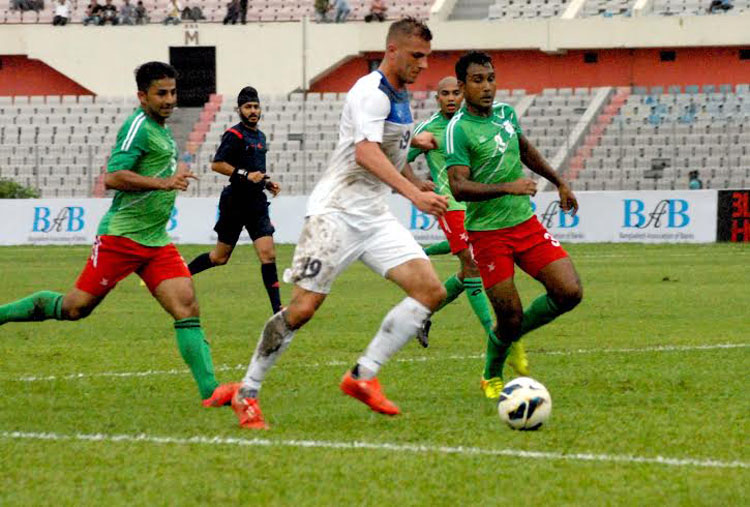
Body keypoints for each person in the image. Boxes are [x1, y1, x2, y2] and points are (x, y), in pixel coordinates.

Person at [203, 18, 449, 429]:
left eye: (427, 56)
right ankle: (247, 391)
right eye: (416, 56)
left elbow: (388, 152)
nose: (424, 65)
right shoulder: (370, 93)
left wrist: (412, 177)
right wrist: (415, 196)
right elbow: (366, 154)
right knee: (302, 309)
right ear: (392, 51)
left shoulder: (401, 95)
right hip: (335, 214)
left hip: (373, 214)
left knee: (430, 291)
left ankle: (362, 376)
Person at [0, 62, 235, 408]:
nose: (170, 99)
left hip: (155, 240)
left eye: (173, 92)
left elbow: (153, 169)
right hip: (121, 237)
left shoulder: (162, 129)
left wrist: (174, 172)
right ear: (142, 96)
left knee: (186, 307)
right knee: (76, 308)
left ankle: (210, 391)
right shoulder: (137, 126)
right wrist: (164, 182)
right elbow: (113, 176)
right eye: (161, 93)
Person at [445, 51, 583, 399]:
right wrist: (509, 186)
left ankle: (514, 334)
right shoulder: (457, 130)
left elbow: (524, 150)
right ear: (462, 86)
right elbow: (459, 187)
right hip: (489, 235)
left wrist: (559, 181)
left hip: (525, 224)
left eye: (491, 78)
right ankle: (490, 372)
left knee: (569, 292)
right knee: (509, 317)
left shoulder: (506, 114)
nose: (487, 86)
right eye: (478, 80)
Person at [405, 76, 528, 388]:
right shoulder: (428, 129)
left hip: (477, 207)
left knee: (466, 273)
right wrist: (416, 184)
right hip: (451, 206)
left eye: (455, 92)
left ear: (463, 94)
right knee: (473, 267)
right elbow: (397, 158)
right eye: (444, 93)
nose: (450, 98)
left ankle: (421, 315)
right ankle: (499, 337)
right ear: (436, 97)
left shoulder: (469, 126)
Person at [187, 87, 283, 316]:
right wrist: (245, 175)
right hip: (234, 203)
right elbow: (217, 164)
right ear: (239, 109)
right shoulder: (234, 135)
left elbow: (255, 171)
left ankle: (278, 310)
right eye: (248, 107)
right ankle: (181, 273)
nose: (252, 111)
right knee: (219, 258)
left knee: (268, 254)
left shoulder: (260, 137)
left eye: (256, 106)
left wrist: (266, 183)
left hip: (256, 203)